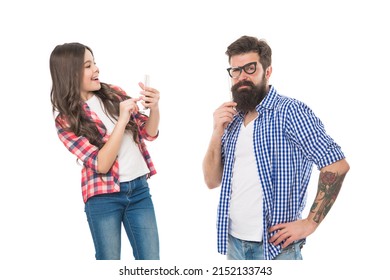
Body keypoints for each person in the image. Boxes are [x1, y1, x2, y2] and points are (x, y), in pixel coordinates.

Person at [202, 35, 350, 260]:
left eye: (250, 68)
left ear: (267, 71)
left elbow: (337, 165)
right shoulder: (230, 119)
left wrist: (310, 224)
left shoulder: (291, 112)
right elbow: (212, 181)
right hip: (233, 244)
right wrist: (216, 132)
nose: (242, 77)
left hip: (276, 248)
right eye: (236, 70)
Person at [49, 42, 160, 260]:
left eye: (95, 63)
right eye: (88, 65)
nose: (96, 69)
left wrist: (154, 107)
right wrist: (122, 121)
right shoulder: (65, 120)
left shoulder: (114, 93)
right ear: (70, 73)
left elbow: (149, 132)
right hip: (103, 198)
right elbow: (102, 164)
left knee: (151, 263)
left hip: (139, 190)